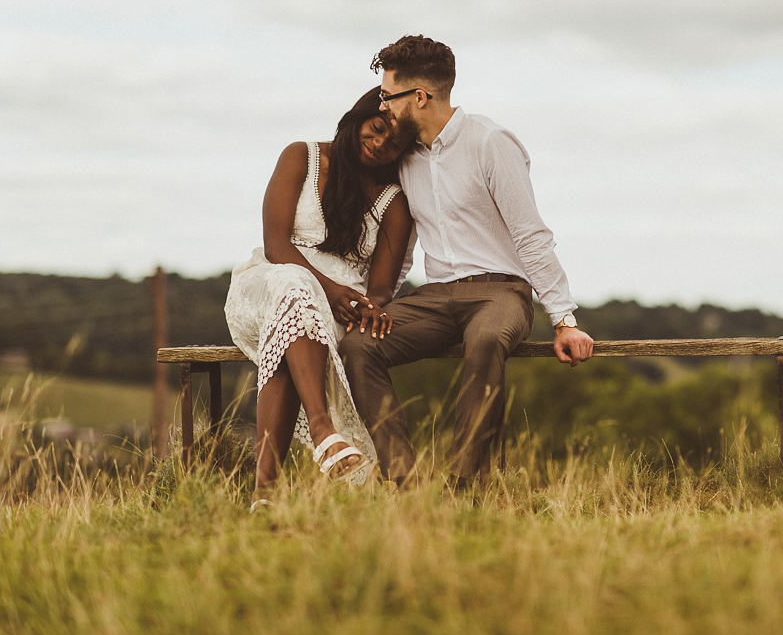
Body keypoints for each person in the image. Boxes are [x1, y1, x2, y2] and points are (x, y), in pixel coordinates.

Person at [341, 35, 595, 487]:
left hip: (501, 293)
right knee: (360, 346)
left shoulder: (490, 142)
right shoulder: (407, 159)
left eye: (388, 97)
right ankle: (405, 484)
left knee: (485, 340)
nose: (383, 108)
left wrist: (564, 318)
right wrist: (379, 301)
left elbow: (530, 233)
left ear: (420, 97)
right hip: (436, 298)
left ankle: (463, 488)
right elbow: (405, 244)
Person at [224, 87, 414, 507]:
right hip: (268, 285)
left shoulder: (392, 201)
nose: (381, 143)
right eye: (377, 128)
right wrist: (327, 289)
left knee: (295, 327)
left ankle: (264, 495)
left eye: (394, 144)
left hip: (338, 309)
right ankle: (322, 428)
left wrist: (364, 305)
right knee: (294, 288)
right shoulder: (302, 157)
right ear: (358, 118)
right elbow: (276, 245)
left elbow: (382, 286)